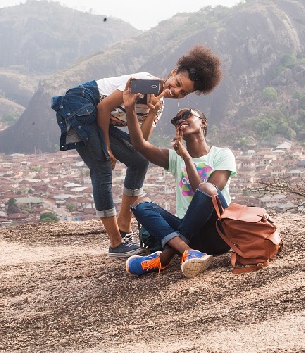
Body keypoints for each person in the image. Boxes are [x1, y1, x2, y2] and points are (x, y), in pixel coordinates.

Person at [51, 45, 222, 258]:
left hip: (98, 118)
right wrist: (107, 147)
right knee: (103, 165)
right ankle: (116, 243)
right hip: (82, 102)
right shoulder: (143, 81)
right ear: (172, 74)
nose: (176, 90)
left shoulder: (157, 106)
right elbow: (103, 108)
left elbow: (140, 141)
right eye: (177, 83)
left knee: (139, 161)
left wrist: (151, 111)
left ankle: (124, 226)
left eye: (183, 91)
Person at [122, 93, 237, 277]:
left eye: (187, 115)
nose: (181, 121)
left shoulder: (222, 155)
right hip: (191, 235)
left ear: (203, 122)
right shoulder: (174, 158)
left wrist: (187, 158)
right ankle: (189, 252)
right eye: (177, 120)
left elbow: (208, 194)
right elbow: (140, 145)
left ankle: (164, 259)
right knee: (139, 204)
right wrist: (129, 108)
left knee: (207, 189)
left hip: (218, 232)